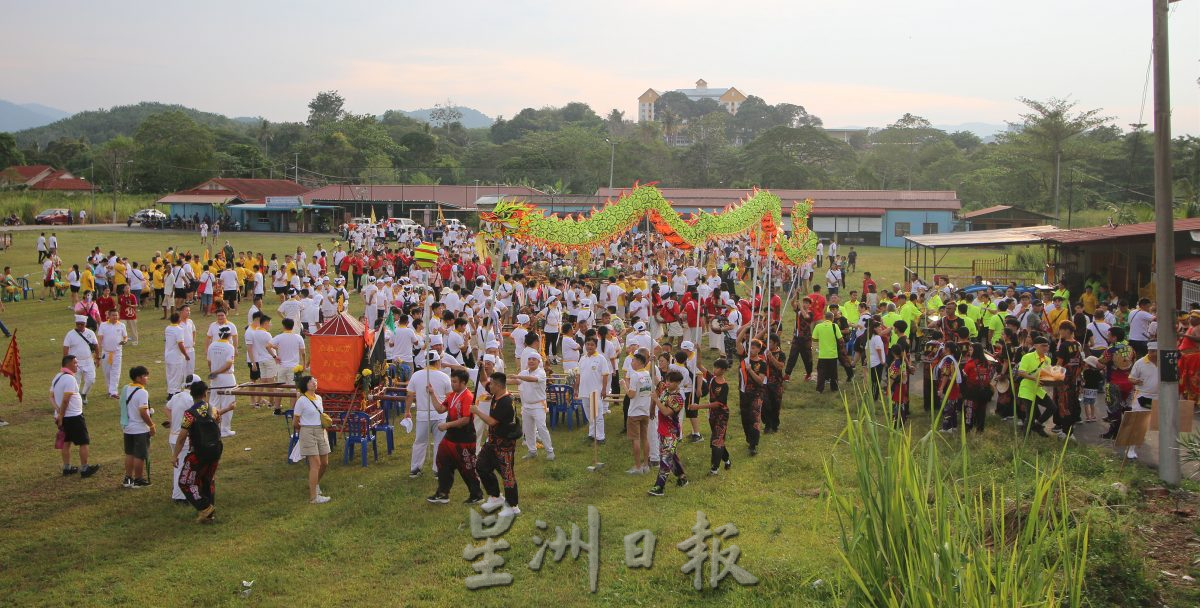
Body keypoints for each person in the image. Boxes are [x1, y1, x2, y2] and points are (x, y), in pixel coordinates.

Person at [427, 369, 484, 505]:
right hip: (450, 439)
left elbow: (465, 419)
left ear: (463, 383)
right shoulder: (452, 396)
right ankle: (442, 493)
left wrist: (447, 425)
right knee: (442, 462)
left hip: (464, 439)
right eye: (451, 381)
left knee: (467, 468)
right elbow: (440, 409)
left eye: (454, 381)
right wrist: (432, 394)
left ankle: (477, 494)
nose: (452, 384)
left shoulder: (468, 397)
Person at [174, 380, 223, 522]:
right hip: (215, 450)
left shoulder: (189, 414)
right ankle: (209, 514)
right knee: (208, 480)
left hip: (198, 453)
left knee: (185, 482)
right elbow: (217, 425)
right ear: (205, 393)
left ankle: (205, 507)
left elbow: (182, 436)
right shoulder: (212, 409)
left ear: (191, 394)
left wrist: (175, 455)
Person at [475, 372, 521, 518]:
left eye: (492, 384)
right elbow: (483, 380)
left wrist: (477, 411)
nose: (490, 386)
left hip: (504, 444)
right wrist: (482, 367)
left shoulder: (506, 402)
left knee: (507, 474)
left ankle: (513, 506)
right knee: (481, 466)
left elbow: (492, 422)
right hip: (492, 442)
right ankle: (495, 497)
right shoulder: (496, 394)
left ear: (499, 385)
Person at [52, 355, 100, 478]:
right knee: (83, 442)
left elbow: (51, 397)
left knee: (66, 442)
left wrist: (58, 412)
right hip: (73, 416)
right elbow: (65, 400)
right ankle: (85, 469)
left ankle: (67, 468)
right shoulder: (69, 379)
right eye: (75, 363)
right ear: (68, 364)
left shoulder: (57, 377)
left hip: (63, 416)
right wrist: (61, 415)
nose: (77, 365)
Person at [406, 351, 452, 478]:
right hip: (440, 415)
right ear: (438, 362)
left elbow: (409, 395)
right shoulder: (444, 377)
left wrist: (407, 411)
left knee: (420, 442)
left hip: (422, 415)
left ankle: (415, 469)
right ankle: (438, 469)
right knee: (439, 443)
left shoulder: (416, 375)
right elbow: (450, 397)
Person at [292, 375, 331, 504]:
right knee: (316, 464)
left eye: (315, 381)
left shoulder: (319, 398)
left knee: (324, 462)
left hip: (320, 430)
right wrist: (304, 430)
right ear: (305, 385)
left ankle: (315, 484)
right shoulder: (302, 400)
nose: (314, 383)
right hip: (308, 431)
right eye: (310, 381)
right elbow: (295, 422)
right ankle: (313, 497)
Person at [648, 369, 688, 497]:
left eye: (671, 381)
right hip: (662, 430)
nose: (667, 383)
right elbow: (656, 388)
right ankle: (682, 477)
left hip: (672, 433)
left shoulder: (678, 399)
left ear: (678, 383)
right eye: (667, 380)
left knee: (665, 459)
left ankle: (659, 486)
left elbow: (666, 412)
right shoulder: (665, 390)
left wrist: (656, 400)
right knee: (672, 456)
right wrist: (652, 409)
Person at [690, 358, 732, 476]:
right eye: (715, 367)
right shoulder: (712, 378)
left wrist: (699, 406)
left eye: (718, 368)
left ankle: (715, 468)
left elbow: (718, 403)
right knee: (717, 440)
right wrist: (698, 349)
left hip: (721, 415)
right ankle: (727, 460)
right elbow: (699, 364)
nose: (715, 369)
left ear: (723, 370)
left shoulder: (724, 386)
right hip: (712, 415)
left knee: (716, 441)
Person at [512, 354, 554, 461]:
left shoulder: (541, 372)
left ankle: (550, 451)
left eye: (533, 359)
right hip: (526, 405)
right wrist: (501, 381)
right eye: (529, 359)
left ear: (538, 362)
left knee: (541, 428)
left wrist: (518, 377)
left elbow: (532, 379)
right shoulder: (524, 372)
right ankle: (532, 451)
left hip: (538, 405)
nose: (531, 361)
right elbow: (517, 381)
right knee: (528, 429)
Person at [120, 366, 155, 488]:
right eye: (145, 376)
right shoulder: (142, 392)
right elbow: (143, 413)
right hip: (139, 428)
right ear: (138, 378)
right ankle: (138, 479)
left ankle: (128, 479)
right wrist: (151, 425)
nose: (147, 378)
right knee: (140, 455)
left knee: (129, 454)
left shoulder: (126, 388)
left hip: (127, 427)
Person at [622, 351, 654, 474]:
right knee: (645, 438)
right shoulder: (647, 374)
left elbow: (631, 394)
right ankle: (646, 465)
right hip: (645, 410)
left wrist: (624, 385)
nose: (632, 362)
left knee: (635, 439)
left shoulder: (635, 375)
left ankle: (637, 467)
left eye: (633, 360)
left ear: (639, 362)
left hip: (635, 412)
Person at [1016, 336, 1054, 437]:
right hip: (1027, 389)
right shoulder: (1027, 357)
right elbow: (1021, 373)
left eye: (1047, 346)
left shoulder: (1048, 360)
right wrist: (1034, 379)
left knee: (1052, 407)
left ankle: (1037, 425)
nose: (1045, 348)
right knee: (1030, 415)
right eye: (1043, 346)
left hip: (1038, 390)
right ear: (1036, 346)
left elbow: (1047, 374)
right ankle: (1026, 438)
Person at [577, 337, 612, 444]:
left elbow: (605, 375)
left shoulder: (601, 359)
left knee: (597, 415)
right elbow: (578, 374)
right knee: (589, 415)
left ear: (596, 346)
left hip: (595, 391)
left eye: (592, 345)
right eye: (587, 344)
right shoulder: (582, 358)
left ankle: (600, 437)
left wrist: (604, 389)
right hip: (584, 391)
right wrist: (576, 388)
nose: (589, 347)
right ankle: (592, 434)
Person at [207, 326, 239, 437]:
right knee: (228, 402)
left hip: (215, 378)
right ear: (229, 336)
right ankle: (225, 429)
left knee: (213, 402)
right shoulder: (229, 347)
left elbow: (209, 362)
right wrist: (216, 372)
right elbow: (228, 364)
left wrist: (213, 372)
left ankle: (212, 427)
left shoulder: (212, 345)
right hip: (227, 377)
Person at [63, 315, 99, 405]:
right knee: (76, 382)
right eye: (78, 324)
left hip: (88, 360)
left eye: (82, 324)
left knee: (91, 380)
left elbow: (96, 345)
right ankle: (77, 399)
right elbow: (65, 348)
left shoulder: (91, 333)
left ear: (85, 324)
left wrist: (98, 358)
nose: (80, 326)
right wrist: (66, 362)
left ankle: (84, 394)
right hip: (75, 362)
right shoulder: (70, 334)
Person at [96, 309, 128, 399]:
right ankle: (109, 389)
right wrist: (97, 351)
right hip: (106, 352)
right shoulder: (103, 325)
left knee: (116, 372)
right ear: (109, 316)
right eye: (113, 315)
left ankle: (113, 392)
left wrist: (124, 341)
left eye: (116, 315)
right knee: (107, 372)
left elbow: (125, 336)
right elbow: (100, 338)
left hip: (117, 352)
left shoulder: (121, 325)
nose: (115, 317)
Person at [812, 305, 843, 393]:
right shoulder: (834, 326)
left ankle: (819, 389)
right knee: (833, 373)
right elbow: (840, 339)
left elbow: (814, 338)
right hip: (833, 354)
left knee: (821, 373)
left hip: (822, 354)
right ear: (832, 318)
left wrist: (821, 339)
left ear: (824, 318)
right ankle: (834, 388)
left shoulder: (819, 326)